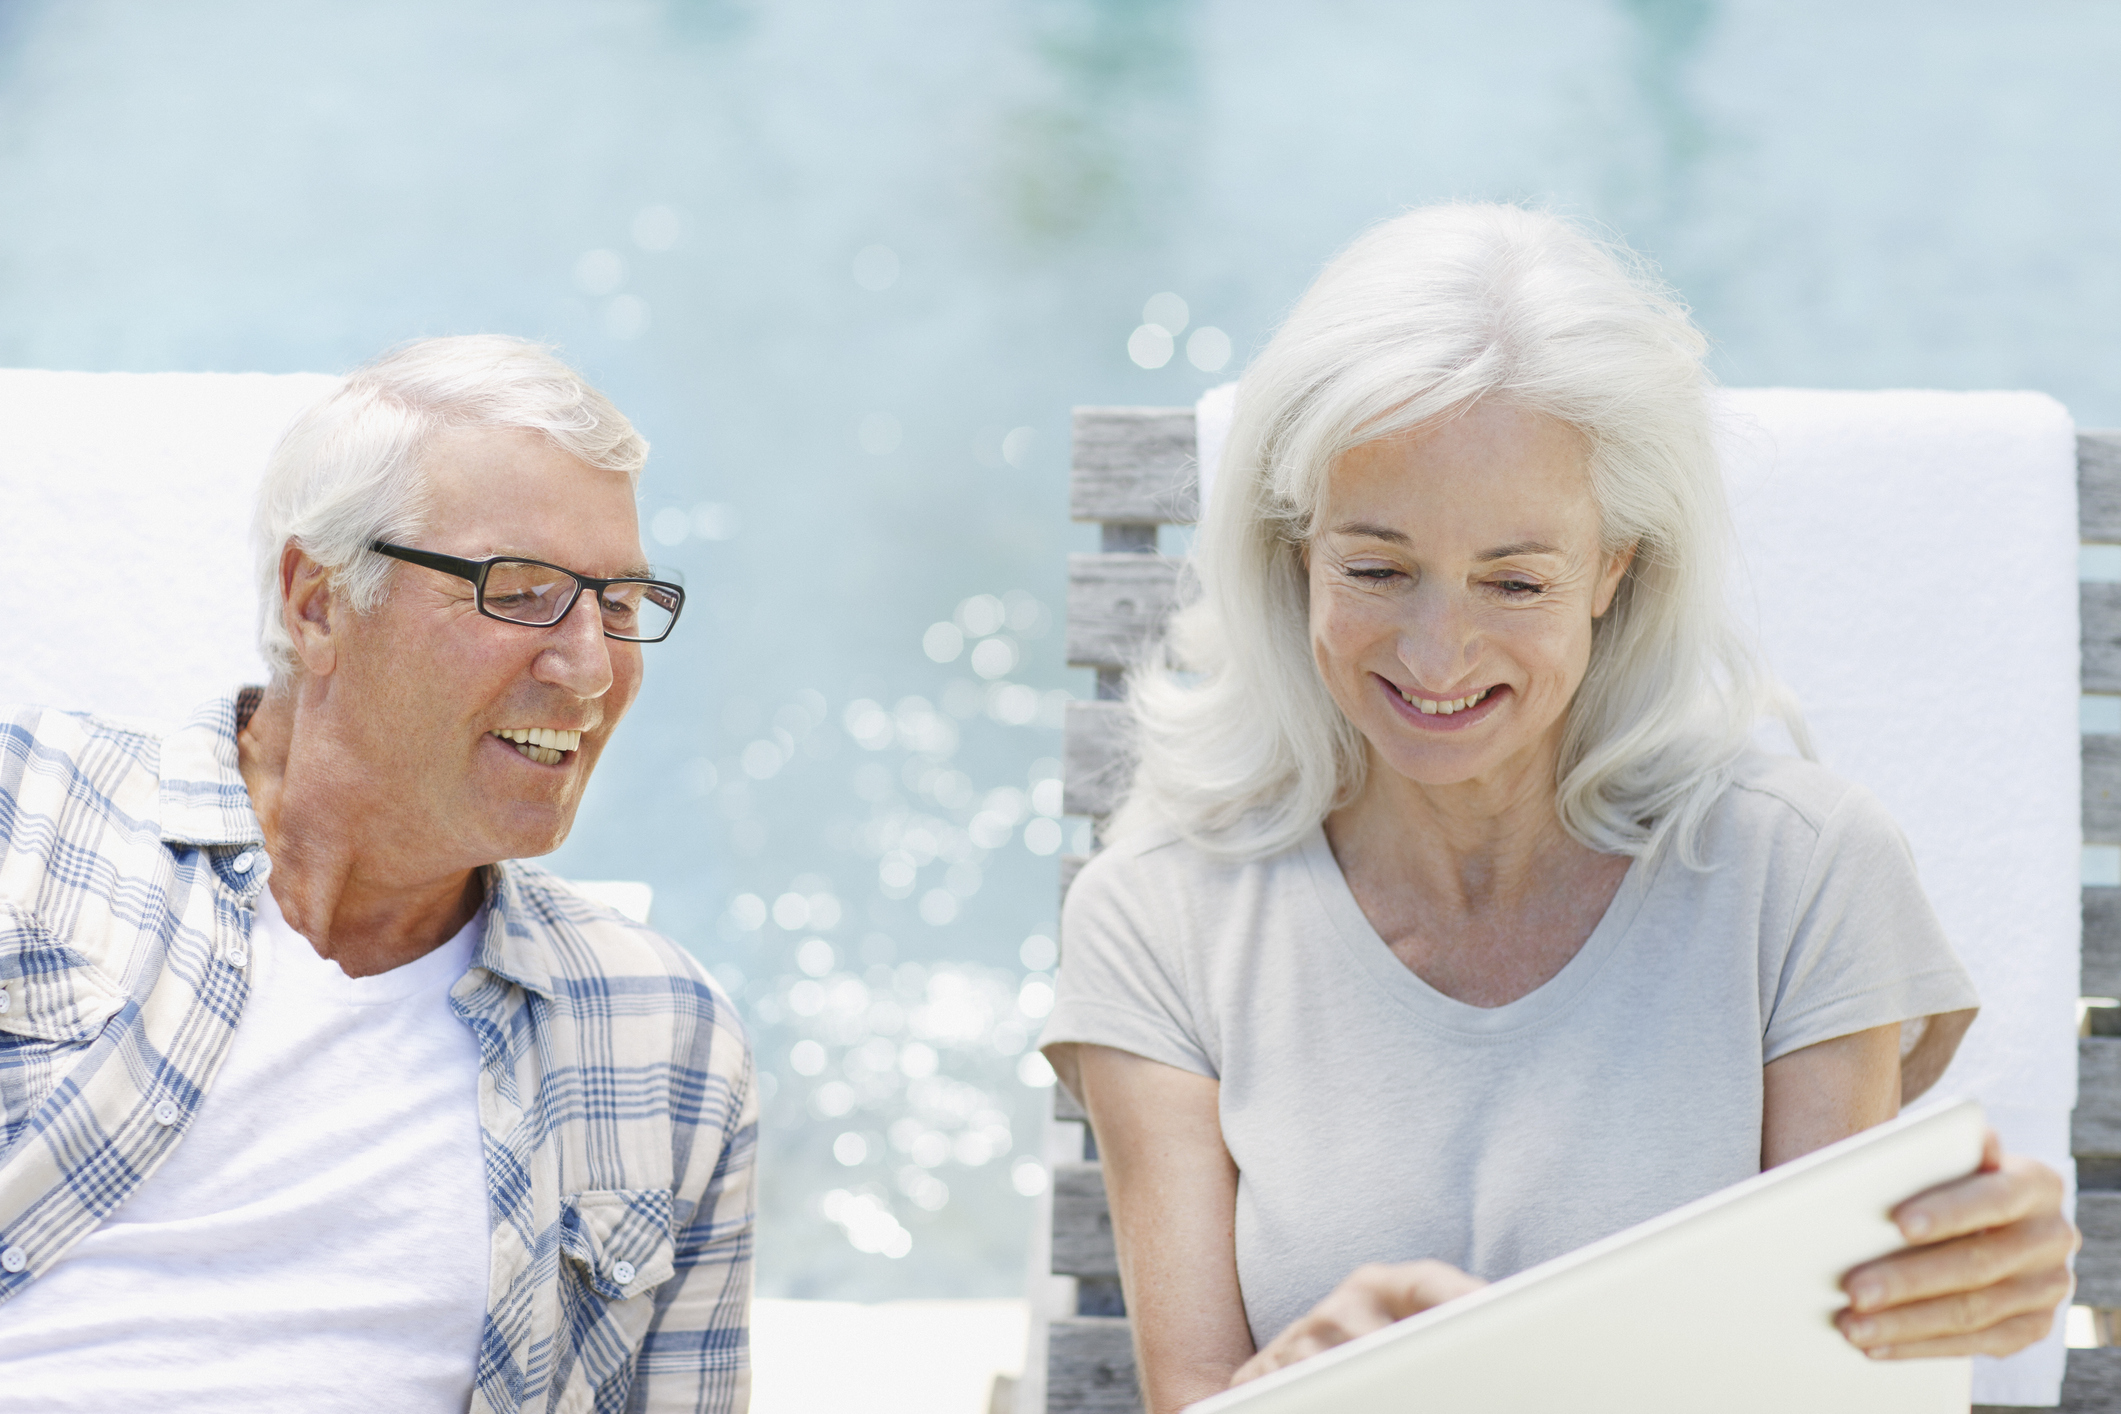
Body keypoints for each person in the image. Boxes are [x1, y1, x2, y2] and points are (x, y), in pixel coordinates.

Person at [1038, 205, 2077, 1413]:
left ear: (1614, 570)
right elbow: (1193, 1395)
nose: (1438, 652)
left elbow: (1838, 1376)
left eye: (1516, 579)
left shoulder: (1803, 874)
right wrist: (1301, 1384)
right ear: (1293, 551)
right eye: (1375, 568)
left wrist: (1979, 1273)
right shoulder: (1159, 914)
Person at [0, 336, 755, 1412]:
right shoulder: (29, 821)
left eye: (621, 605)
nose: (590, 667)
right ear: (317, 603)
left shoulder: (662, 1032)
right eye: (523, 590)